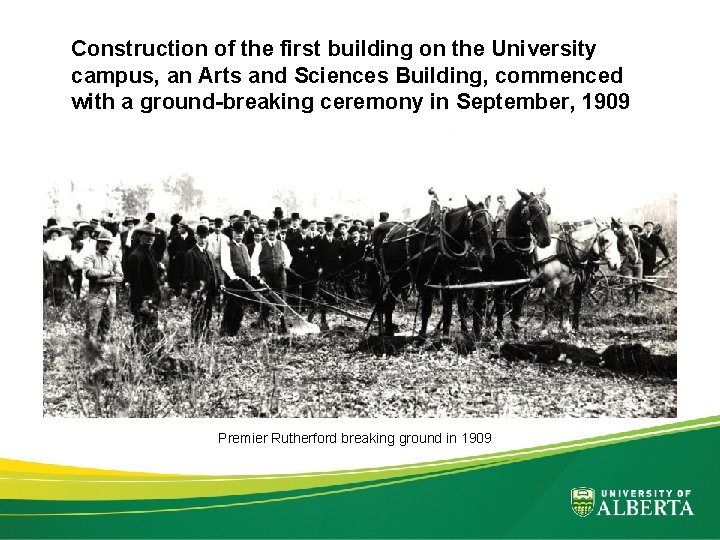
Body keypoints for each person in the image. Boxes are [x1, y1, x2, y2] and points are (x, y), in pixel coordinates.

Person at [125, 222, 163, 355]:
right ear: (140, 236)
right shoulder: (136, 255)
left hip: (152, 299)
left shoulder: (151, 253)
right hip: (143, 300)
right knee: (140, 328)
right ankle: (137, 356)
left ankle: (148, 355)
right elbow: (136, 282)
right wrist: (142, 302)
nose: (151, 238)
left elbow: (152, 277)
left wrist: (160, 270)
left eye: (152, 236)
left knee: (152, 328)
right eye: (147, 235)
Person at [250, 218, 292, 332]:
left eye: (274, 230)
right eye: (270, 230)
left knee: (282, 300)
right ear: (266, 231)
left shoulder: (282, 244)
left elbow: (288, 257)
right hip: (266, 278)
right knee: (265, 300)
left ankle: (284, 324)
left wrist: (286, 263)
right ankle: (263, 323)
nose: (272, 233)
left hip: (280, 277)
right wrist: (258, 275)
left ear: (277, 231)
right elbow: (253, 261)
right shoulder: (260, 245)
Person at [83, 230, 123, 341]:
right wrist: (109, 273)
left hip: (110, 298)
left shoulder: (114, 259)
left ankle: (104, 352)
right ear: (98, 243)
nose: (106, 245)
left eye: (108, 243)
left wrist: (101, 280)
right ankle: (89, 353)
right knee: (92, 327)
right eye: (103, 242)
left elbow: (120, 277)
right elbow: (89, 273)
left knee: (107, 326)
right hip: (95, 297)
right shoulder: (90, 258)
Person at [183, 225, 219, 341]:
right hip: (199, 290)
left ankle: (205, 334)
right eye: (200, 237)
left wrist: (219, 284)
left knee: (208, 313)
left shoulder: (208, 253)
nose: (203, 240)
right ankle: (196, 337)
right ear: (196, 236)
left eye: (205, 237)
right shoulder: (191, 253)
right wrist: (193, 291)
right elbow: (189, 275)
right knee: (198, 314)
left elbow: (215, 270)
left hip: (210, 289)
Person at [220, 221, 253, 335]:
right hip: (233, 281)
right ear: (233, 233)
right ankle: (226, 330)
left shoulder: (244, 246)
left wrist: (252, 275)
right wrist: (233, 276)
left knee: (240, 307)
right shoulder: (228, 246)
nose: (239, 235)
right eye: (237, 233)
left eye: (241, 233)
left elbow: (248, 262)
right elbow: (225, 264)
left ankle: (235, 329)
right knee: (232, 307)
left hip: (244, 281)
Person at [43, 225, 71, 306]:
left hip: (59, 265)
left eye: (56, 235)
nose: (54, 237)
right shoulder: (47, 244)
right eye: (53, 235)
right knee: (51, 283)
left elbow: (63, 256)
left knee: (59, 283)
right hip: (50, 265)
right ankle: (52, 300)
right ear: (50, 236)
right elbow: (46, 255)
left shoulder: (61, 244)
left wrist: (58, 257)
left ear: (58, 236)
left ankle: (59, 300)